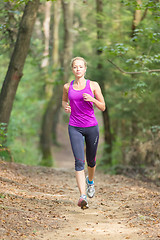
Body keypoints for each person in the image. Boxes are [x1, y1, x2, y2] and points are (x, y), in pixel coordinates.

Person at [62, 56, 105, 209]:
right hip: (74, 127)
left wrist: (92, 100)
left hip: (91, 127)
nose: (78, 69)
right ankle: (82, 196)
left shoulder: (93, 85)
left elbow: (103, 106)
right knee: (79, 162)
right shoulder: (68, 86)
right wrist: (66, 107)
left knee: (91, 161)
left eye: (81, 66)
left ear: (85, 69)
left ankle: (91, 182)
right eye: (75, 67)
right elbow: (64, 101)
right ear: (72, 69)